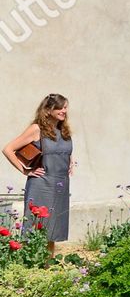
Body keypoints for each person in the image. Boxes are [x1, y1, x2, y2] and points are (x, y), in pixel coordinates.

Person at [3, 93, 74, 257]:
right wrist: (25, 170)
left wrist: (70, 161)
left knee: (53, 226)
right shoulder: (36, 129)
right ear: (49, 109)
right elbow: (8, 149)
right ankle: (30, 262)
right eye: (60, 107)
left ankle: (48, 264)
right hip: (42, 184)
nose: (64, 111)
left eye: (65, 107)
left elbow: (63, 150)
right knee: (36, 225)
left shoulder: (63, 130)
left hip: (60, 183)